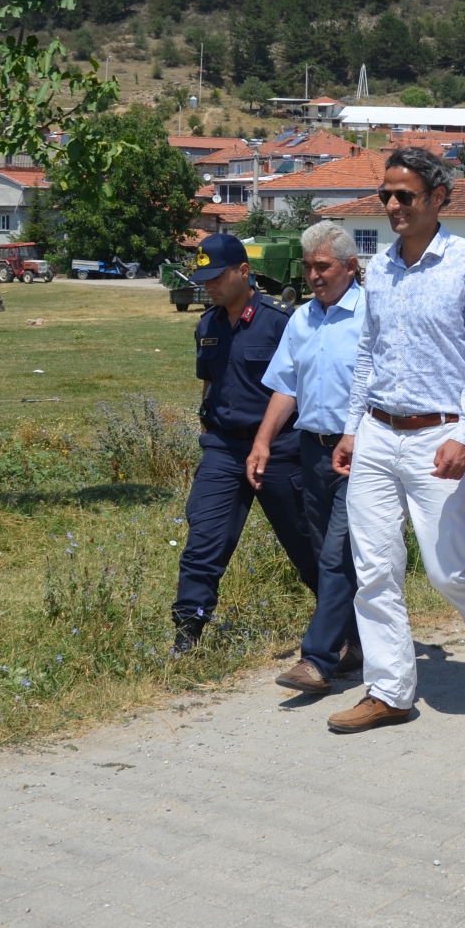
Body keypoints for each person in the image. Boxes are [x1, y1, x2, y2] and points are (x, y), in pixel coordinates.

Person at [326, 147, 465, 734]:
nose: (391, 205)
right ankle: (389, 692)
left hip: (441, 436)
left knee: (446, 569)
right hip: (377, 433)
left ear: (437, 198)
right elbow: (367, 355)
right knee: (375, 567)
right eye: (385, 194)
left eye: (403, 195)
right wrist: (351, 429)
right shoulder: (378, 268)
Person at [170, 233, 317, 656]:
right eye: (204, 279)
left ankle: (344, 626)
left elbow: (303, 387)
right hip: (224, 449)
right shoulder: (208, 324)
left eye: (217, 277)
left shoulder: (282, 321)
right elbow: (210, 384)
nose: (209, 286)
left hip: (279, 450)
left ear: (244, 271)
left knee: (306, 542)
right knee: (204, 539)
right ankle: (188, 633)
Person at [248, 221, 365, 697]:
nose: (314, 275)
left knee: (337, 554)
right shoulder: (302, 319)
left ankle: (317, 658)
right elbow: (285, 386)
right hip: (312, 451)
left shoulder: (372, 315)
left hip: (359, 454)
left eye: (323, 266)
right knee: (325, 556)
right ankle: (356, 643)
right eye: (308, 266)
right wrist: (263, 441)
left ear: (350, 267)